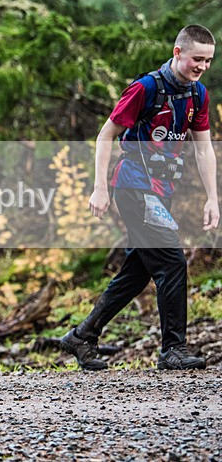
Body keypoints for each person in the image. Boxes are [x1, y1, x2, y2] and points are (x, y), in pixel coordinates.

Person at [61, 24, 218, 371]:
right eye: (197, 59)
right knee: (173, 261)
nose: (202, 67)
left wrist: (213, 198)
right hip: (133, 187)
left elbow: (203, 149)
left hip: (163, 192)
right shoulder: (146, 88)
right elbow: (106, 135)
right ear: (178, 53)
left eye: (208, 61)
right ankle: (173, 349)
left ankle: (82, 336)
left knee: (138, 271)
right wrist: (100, 188)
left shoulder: (198, 95)